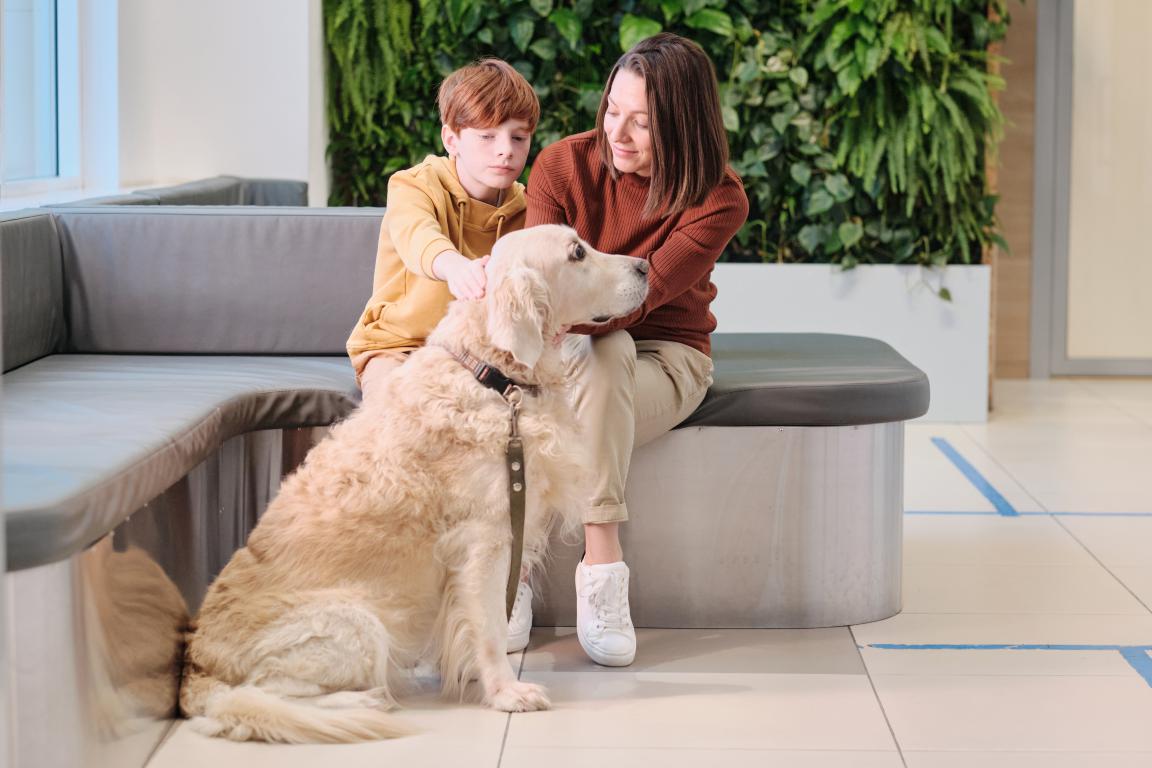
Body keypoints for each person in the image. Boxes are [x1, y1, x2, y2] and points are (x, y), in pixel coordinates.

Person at [521, 33, 749, 666]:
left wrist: (564, 313)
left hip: (668, 358)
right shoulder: (562, 166)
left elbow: (632, 301)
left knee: (610, 348)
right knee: (594, 359)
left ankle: (585, 570)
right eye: (611, 110)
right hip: (566, 356)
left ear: (684, 125)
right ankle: (578, 571)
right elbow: (538, 286)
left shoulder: (717, 198)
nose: (617, 132)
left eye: (642, 122)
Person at [346, 59, 539, 400]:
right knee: (396, 418)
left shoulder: (529, 207)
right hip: (401, 349)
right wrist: (456, 267)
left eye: (518, 137)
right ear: (451, 139)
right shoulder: (413, 185)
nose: (505, 150)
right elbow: (417, 235)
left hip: (481, 358)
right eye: (487, 136)